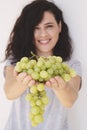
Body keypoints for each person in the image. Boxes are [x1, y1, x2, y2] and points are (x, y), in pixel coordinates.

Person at [3, 0, 82, 130]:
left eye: (49, 26)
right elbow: (9, 93)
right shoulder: (17, 62)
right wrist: (24, 81)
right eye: (36, 28)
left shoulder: (70, 65)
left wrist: (60, 87)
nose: (43, 34)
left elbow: (69, 101)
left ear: (59, 26)